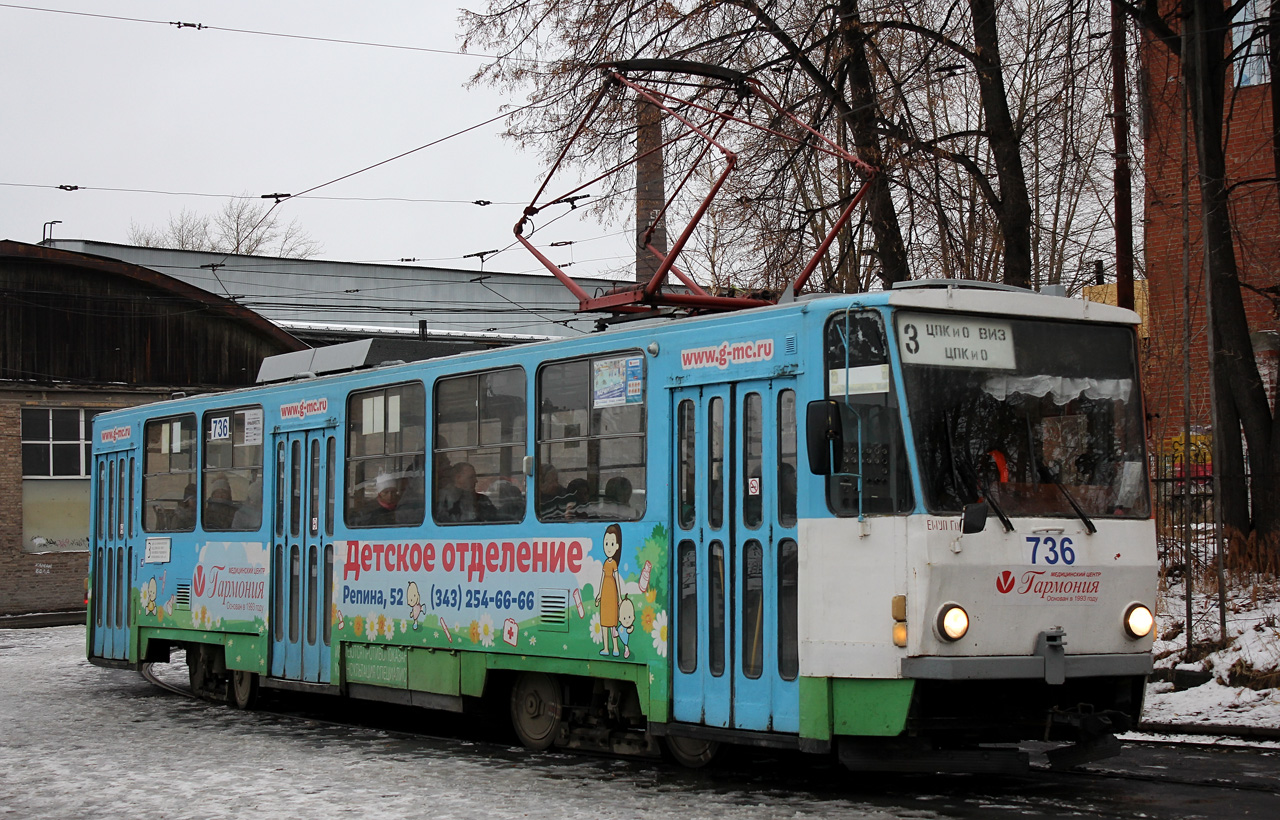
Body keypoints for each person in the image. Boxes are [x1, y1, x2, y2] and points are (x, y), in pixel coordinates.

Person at [594, 524, 624, 657]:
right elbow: (601, 578)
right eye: (606, 543)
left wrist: (620, 597)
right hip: (605, 592)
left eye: (611, 543)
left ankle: (616, 648)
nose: (608, 546)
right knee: (604, 622)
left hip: (612, 592)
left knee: (612, 622)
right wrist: (599, 594)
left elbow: (617, 578)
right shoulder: (606, 563)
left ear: (617, 546)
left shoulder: (613, 564)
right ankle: (606, 648)